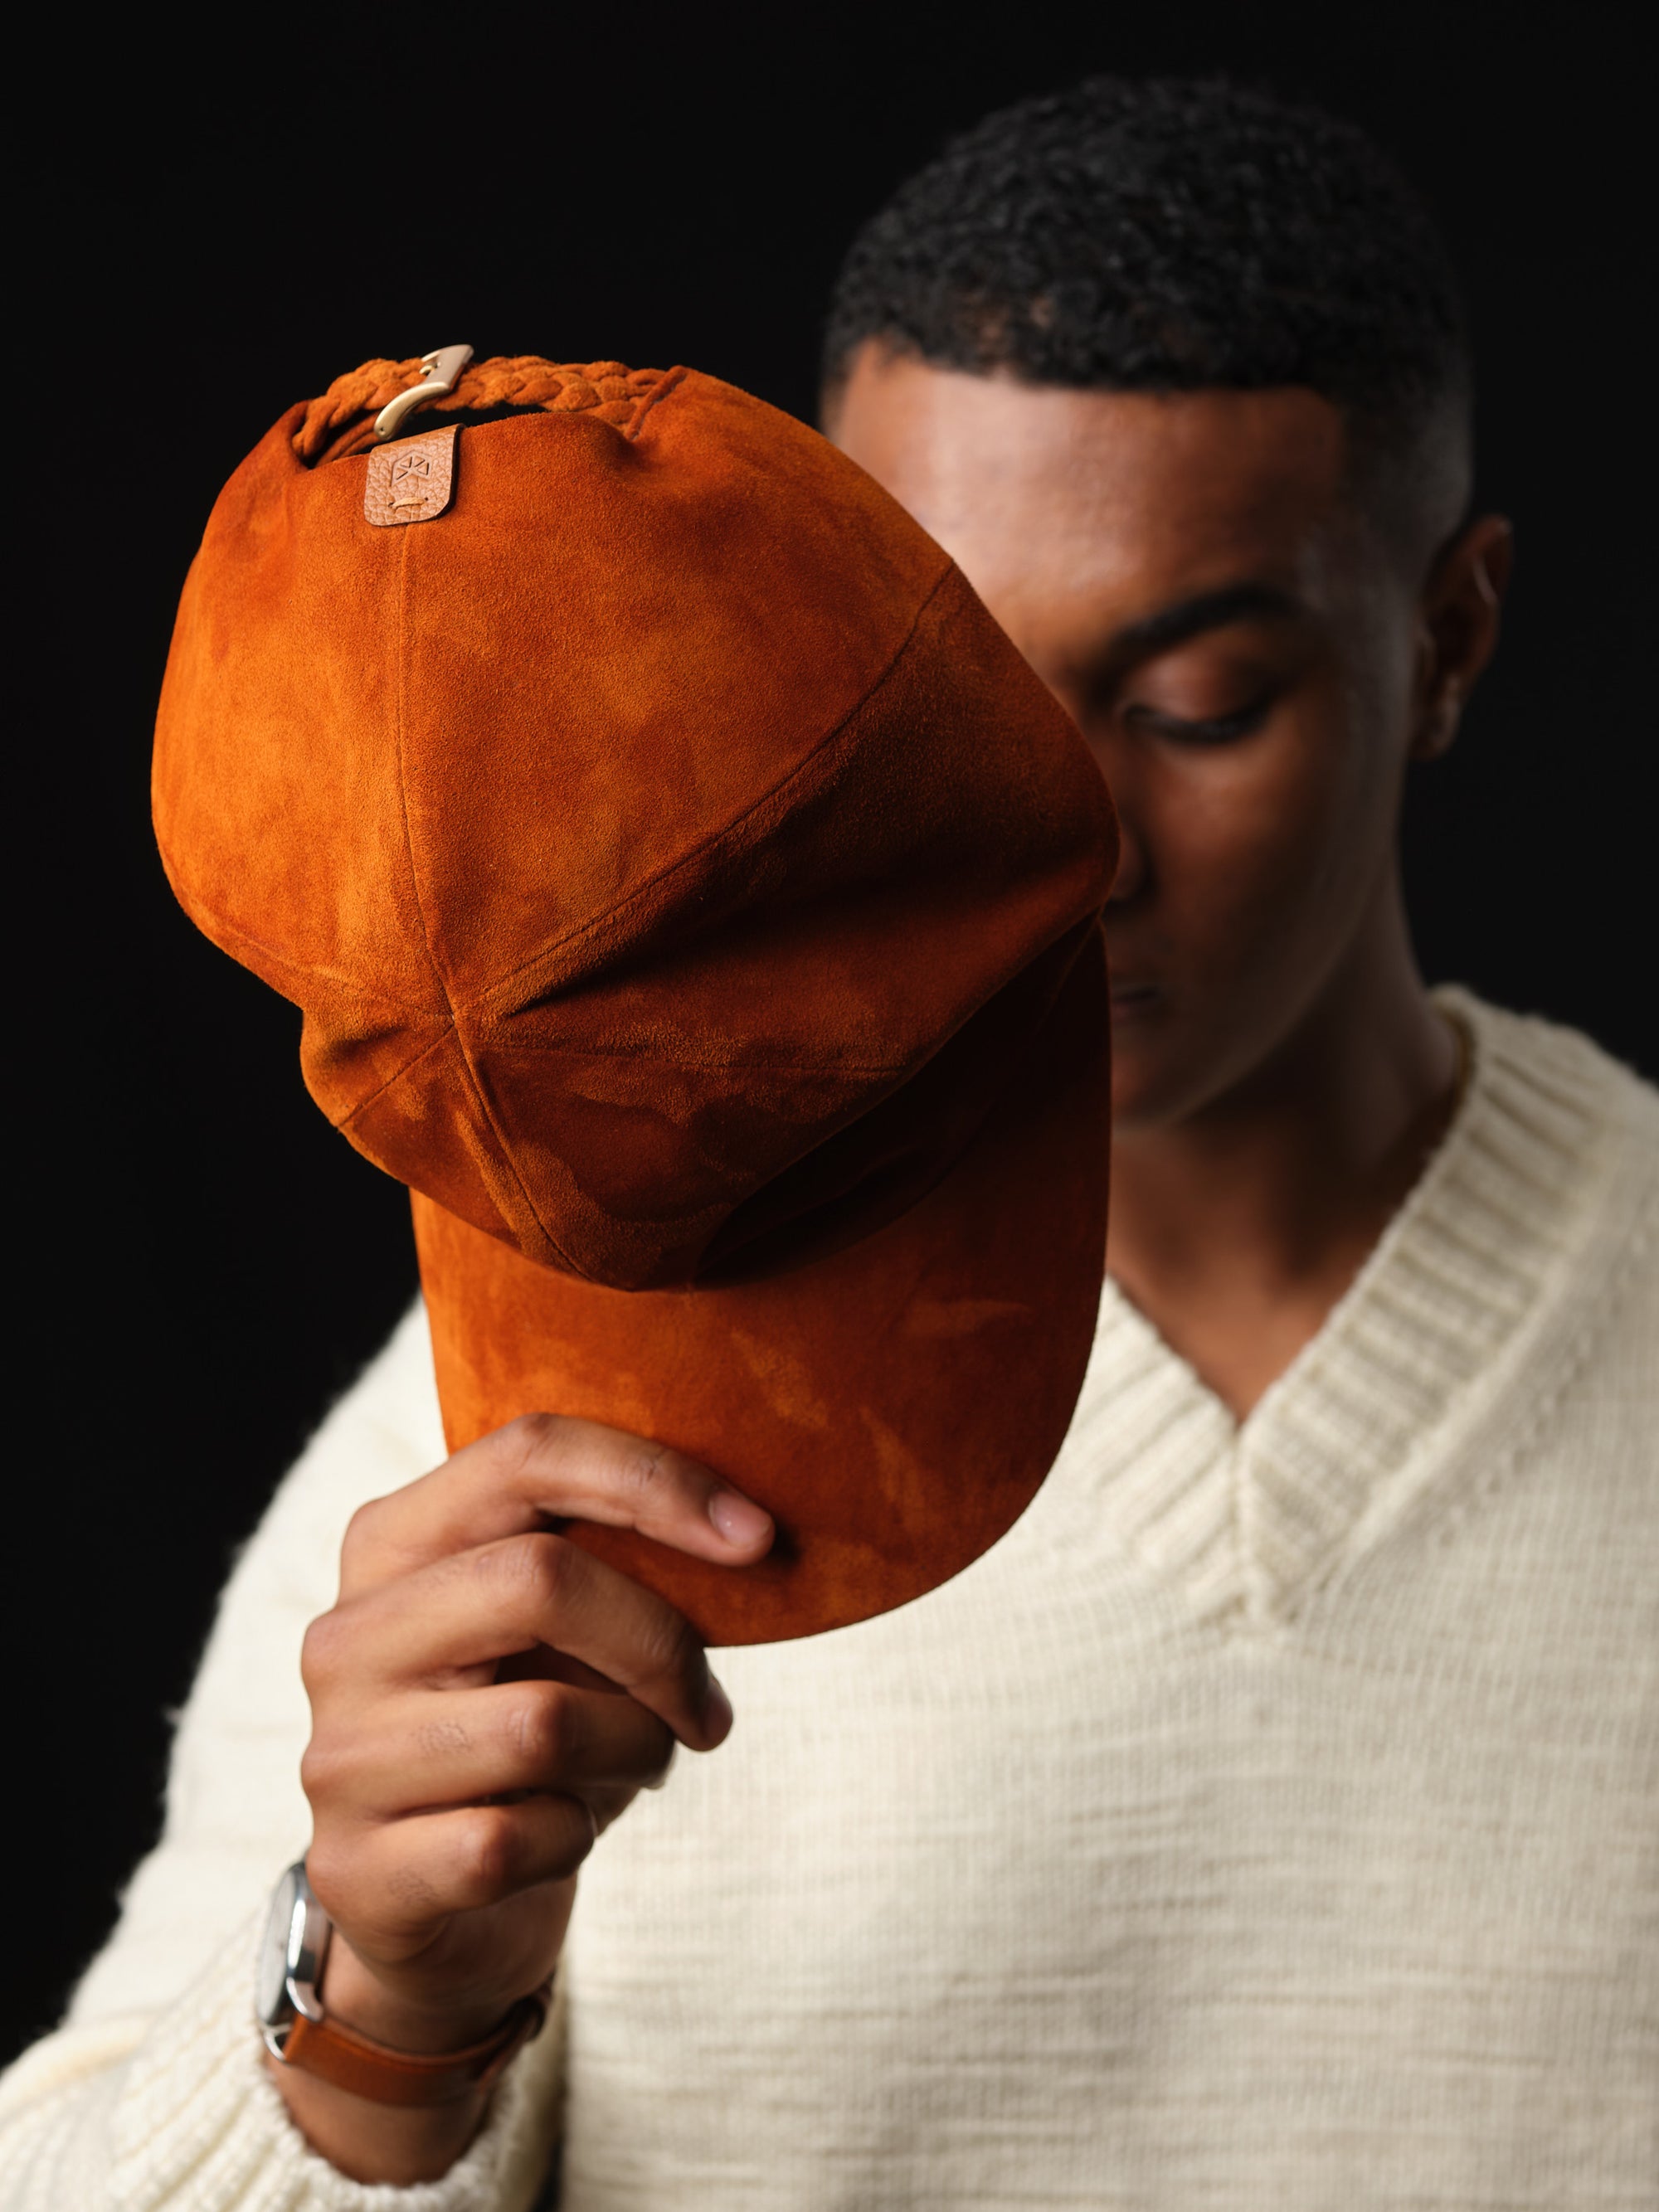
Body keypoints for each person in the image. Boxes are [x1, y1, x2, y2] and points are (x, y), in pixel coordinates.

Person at [2, 74, 1653, 2212]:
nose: (1053, 841)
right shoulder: (522, 1407)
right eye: (930, 696)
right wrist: (382, 2025)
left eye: (1196, 702)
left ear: (1448, 642)